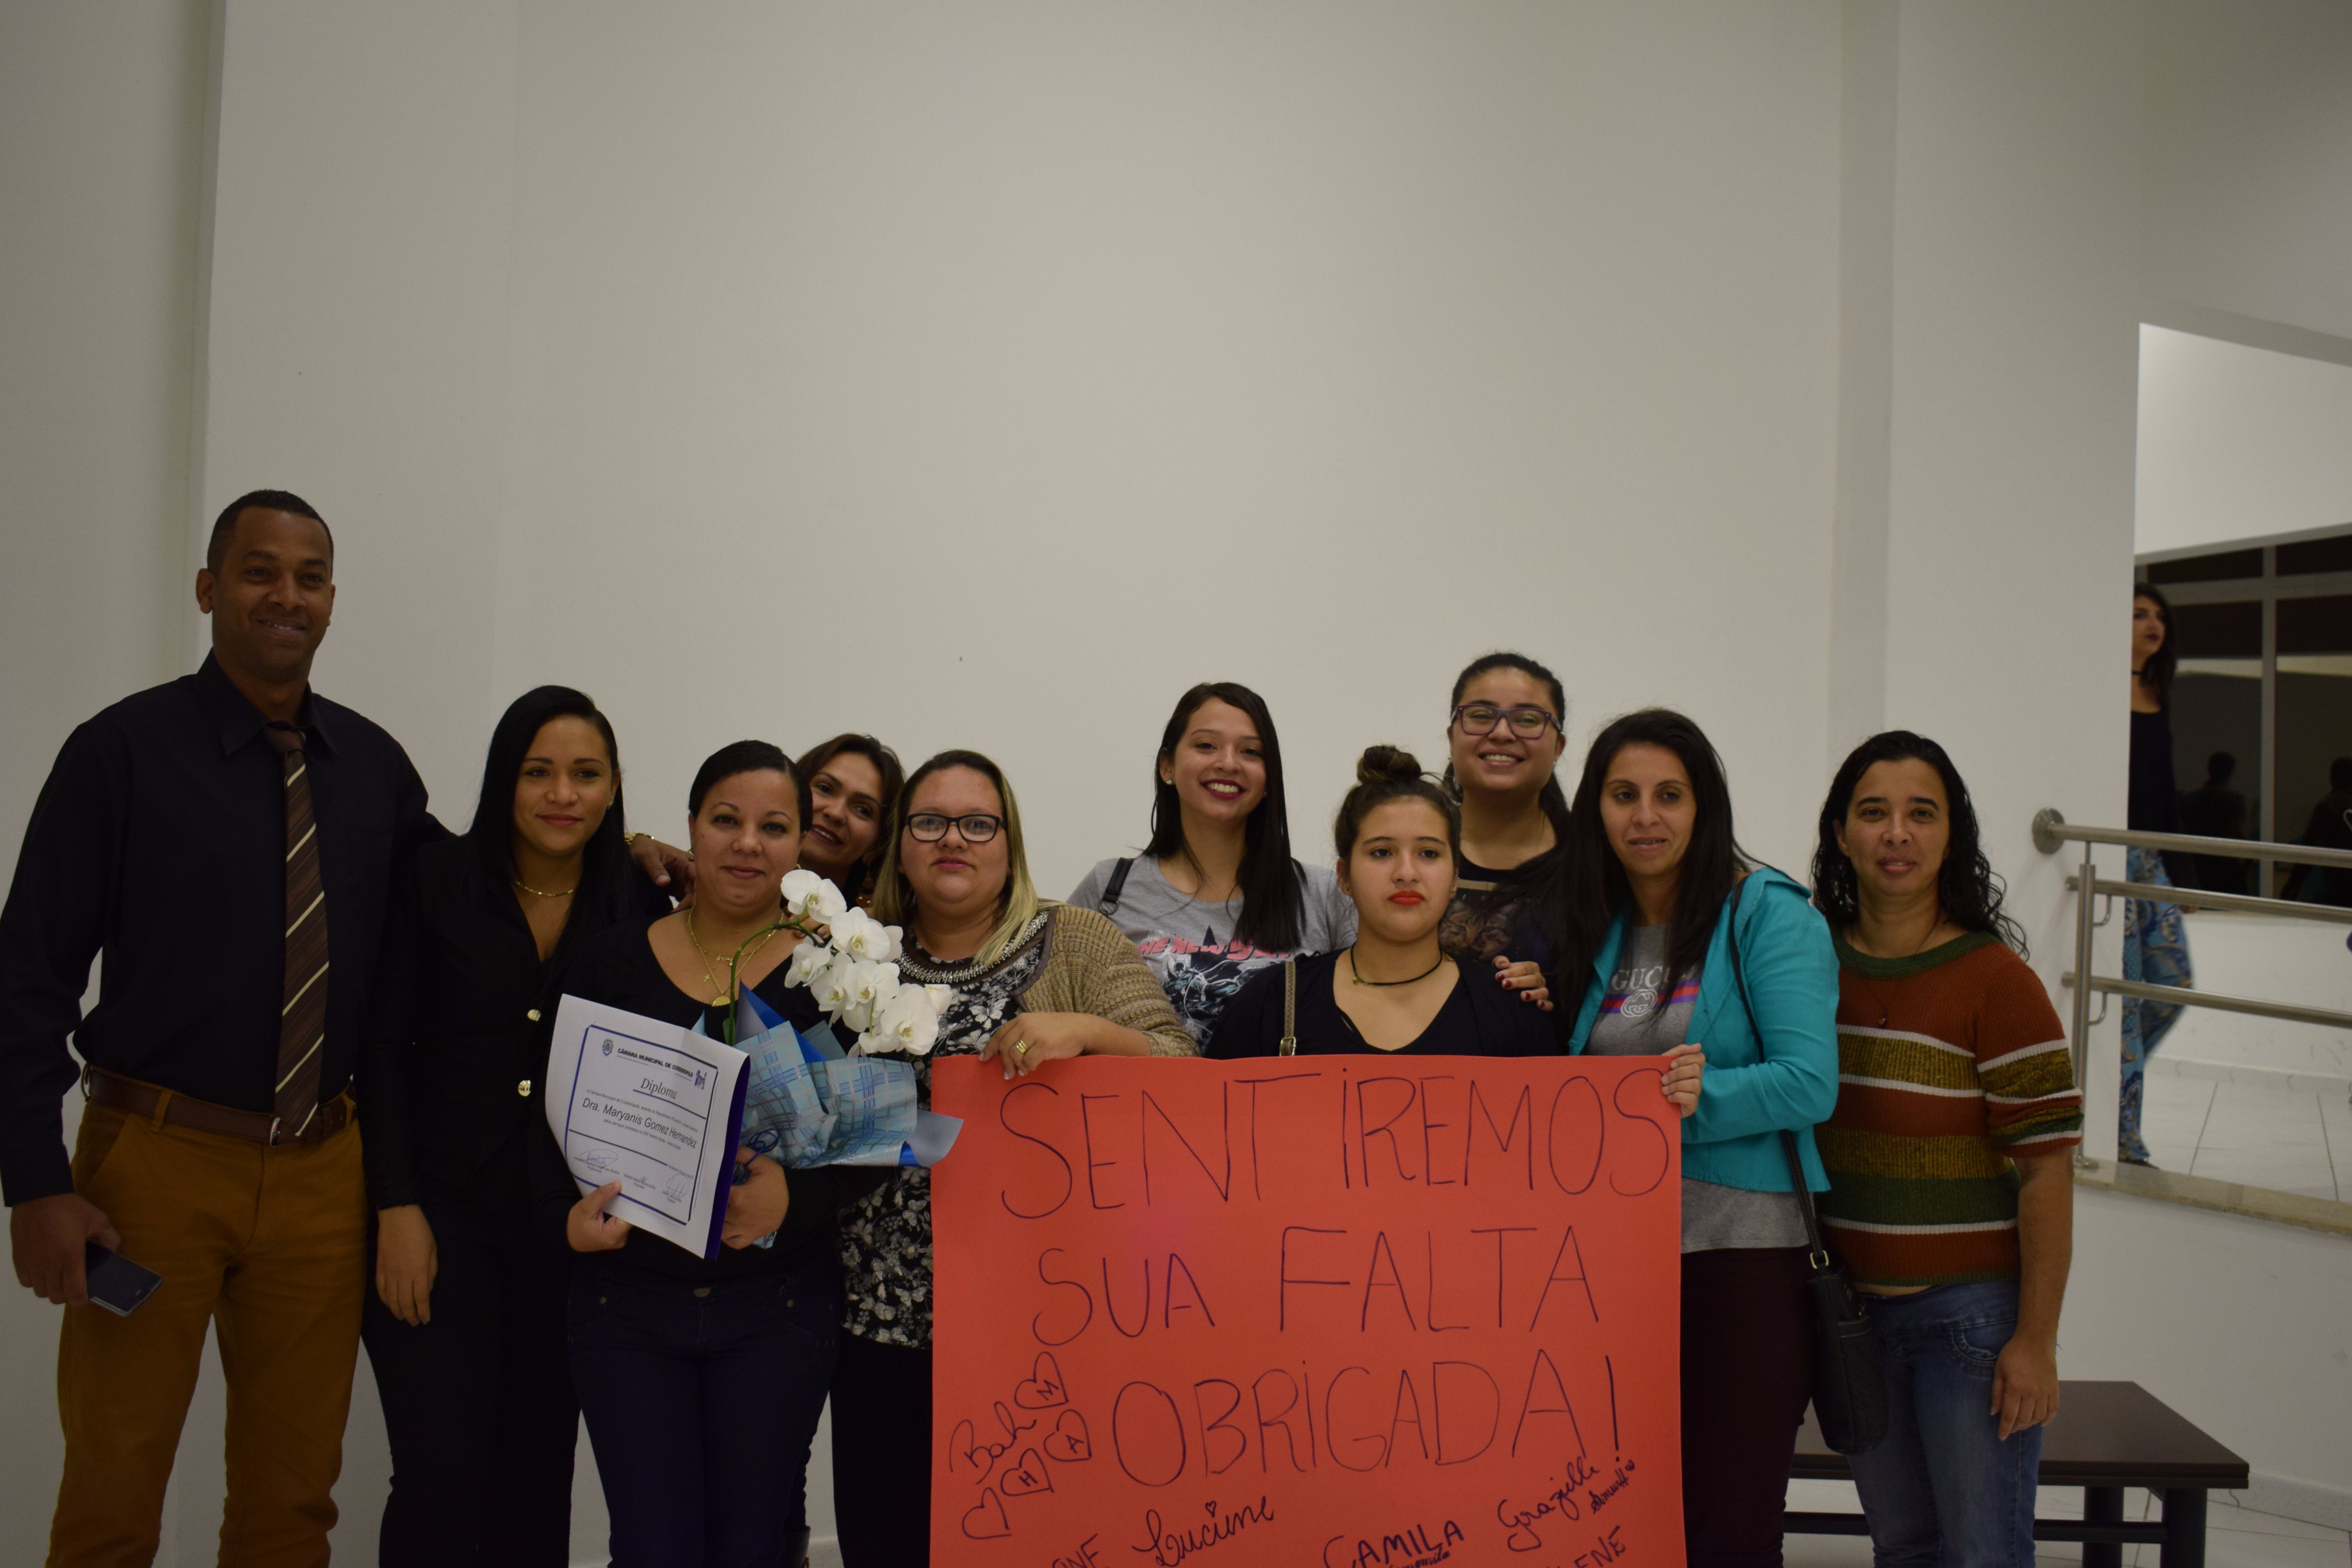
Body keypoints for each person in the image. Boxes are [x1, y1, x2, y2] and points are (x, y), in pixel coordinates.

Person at [0, 491, 433, 1564]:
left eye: (310, 577)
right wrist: (34, 1181)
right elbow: (28, 977)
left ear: (332, 599)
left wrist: (631, 859)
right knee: (112, 1491)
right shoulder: (120, 753)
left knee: (294, 1503)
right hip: (151, 1173)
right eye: (259, 571)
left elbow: (468, 904)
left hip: (322, 1177)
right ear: (208, 588)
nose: (287, 595)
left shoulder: (375, 769)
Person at [833, 750, 1194, 1567]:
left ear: (1010, 842)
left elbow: (1183, 1069)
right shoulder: (856, 955)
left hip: (1037, 1333)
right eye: (930, 822)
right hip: (878, 1325)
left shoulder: (1074, 940)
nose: (952, 839)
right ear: (899, 845)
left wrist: (1089, 1032)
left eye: (977, 823)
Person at [542, 740, 884, 1568]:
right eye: (726, 820)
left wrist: (794, 1201)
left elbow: (878, 1140)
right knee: (651, 1547)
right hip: (626, 1307)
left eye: (774, 827)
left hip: (778, 1309)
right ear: (692, 826)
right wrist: (566, 1218)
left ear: (800, 843)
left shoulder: (838, 973)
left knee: (751, 1548)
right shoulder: (611, 958)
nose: (747, 844)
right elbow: (546, 1116)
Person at [358, 686, 671, 1566]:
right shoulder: (433, 882)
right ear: (505, 779)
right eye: (539, 772)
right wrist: (395, 1207)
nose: (562, 794)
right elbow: (381, 1049)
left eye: (586, 774)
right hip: (436, 1219)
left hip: (565, 1234)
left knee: (535, 1485)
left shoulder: (640, 906)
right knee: (438, 1481)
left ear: (614, 788)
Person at [1560, 708, 1838, 1568]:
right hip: (1616, 1269)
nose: (1646, 816)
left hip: (1741, 1259)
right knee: (1629, 1521)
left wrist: (1698, 1097)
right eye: (1624, 795)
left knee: (1730, 1527)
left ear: (1704, 805)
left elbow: (1811, 1082)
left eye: (1670, 795)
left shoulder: (1768, 911)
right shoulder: (1600, 925)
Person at [1811, 731, 2082, 1568]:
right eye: (1874, 812)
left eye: (1921, 813)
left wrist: (2035, 1342)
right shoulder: (1807, 966)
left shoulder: (1998, 982)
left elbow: (2046, 1173)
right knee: (1904, 1548)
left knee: (1983, 1553)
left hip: (1968, 1325)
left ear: (1951, 834)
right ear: (1841, 834)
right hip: (1853, 1321)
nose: (1897, 833)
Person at [1208, 746, 1590, 1061]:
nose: (1407, 873)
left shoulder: (1511, 1010)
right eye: (1381, 852)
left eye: (1428, 853)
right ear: (1344, 875)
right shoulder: (1275, 1002)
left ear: (1454, 878)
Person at [1069, 682, 1355, 1043]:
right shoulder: (1108, 888)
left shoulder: (1325, 894)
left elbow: (1373, 1011)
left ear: (1269, 777)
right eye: (1206, 746)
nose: (1228, 763)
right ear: (1167, 765)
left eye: (1250, 752)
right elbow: (1054, 1009)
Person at [1438, 651, 1572, 1008]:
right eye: (1481, 716)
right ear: (1451, 738)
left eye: (1527, 720)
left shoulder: (1595, 859)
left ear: (1559, 746)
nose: (1501, 733)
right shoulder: (1412, 851)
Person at [2123, 584, 2193, 1165]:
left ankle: (2106, 1086)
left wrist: (2182, 869)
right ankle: (2124, 1136)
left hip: (2152, 862)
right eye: (2139, 614)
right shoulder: (2105, 690)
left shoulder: (2155, 692)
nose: (2154, 624)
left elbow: (2166, 792)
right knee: (2123, 1001)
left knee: (2171, 986)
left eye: (2159, 616)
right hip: (2113, 858)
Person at [795, 733, 905, 907]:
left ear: (877, 845)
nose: (836, 813)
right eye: (825, 789)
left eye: (863, 810)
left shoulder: (877, 924)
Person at [2280, 758, 2352, 909]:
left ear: (2334, 777)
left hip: (2341, 887)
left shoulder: (2330, 806)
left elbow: (2312, 848)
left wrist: (2292, 885)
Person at [2177, 750, 2250, 895]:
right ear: (2231, 772)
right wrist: (2247, 861)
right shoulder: (2233, 799)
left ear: (2209, 769)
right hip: (2226, 866)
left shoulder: (2189, 799)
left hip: (2198, 865)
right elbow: (2238, 832)